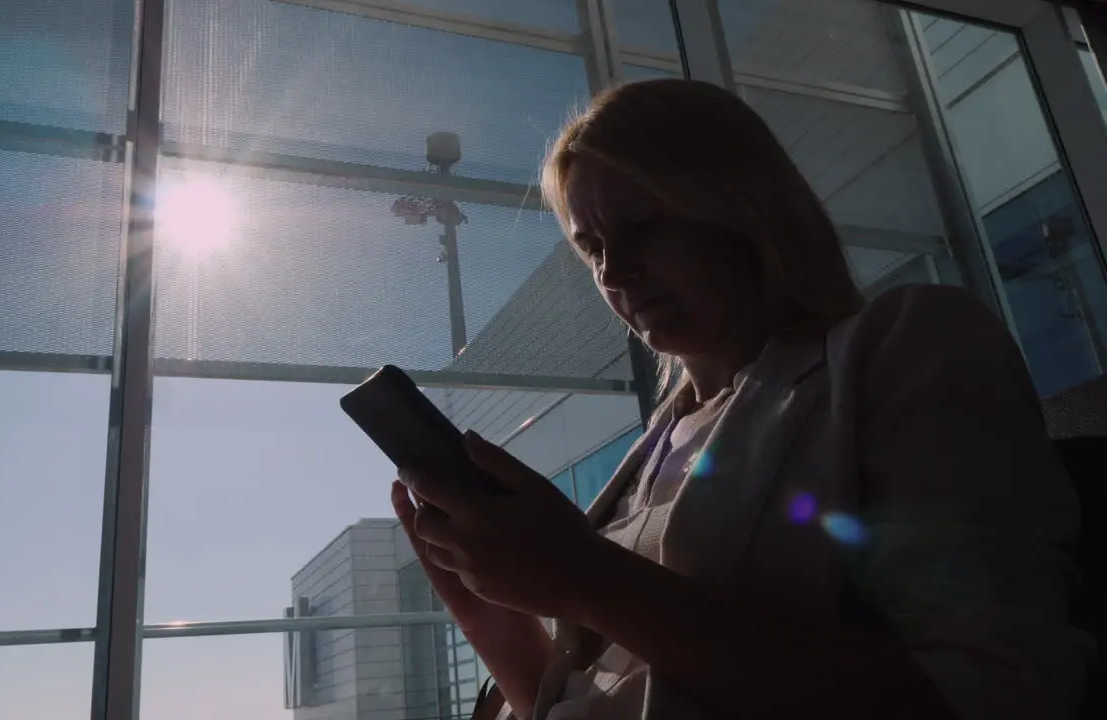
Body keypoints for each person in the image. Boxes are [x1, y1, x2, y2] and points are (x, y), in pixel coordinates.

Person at [391, 79, 1092, 720]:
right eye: (591, 245)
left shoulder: (903, 347)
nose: (612, 271)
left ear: (741, 206)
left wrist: (584, 575)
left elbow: (999, 692)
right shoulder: (653, 448)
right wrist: (493, 619)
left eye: (642, 226)